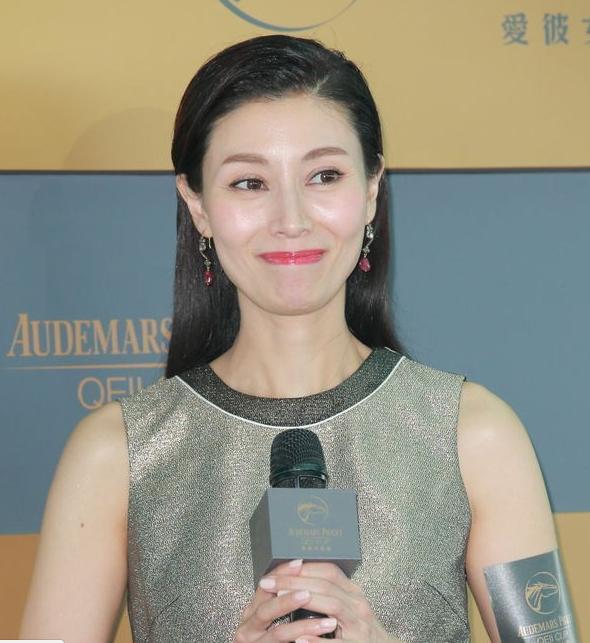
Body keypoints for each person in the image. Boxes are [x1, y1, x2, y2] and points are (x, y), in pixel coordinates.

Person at [20, 35, 572, 643]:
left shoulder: (473, 436)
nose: (291, 220)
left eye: (324, 175)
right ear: (197, 205)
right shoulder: (118, 454)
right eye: (248, 183)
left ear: (371, 190)